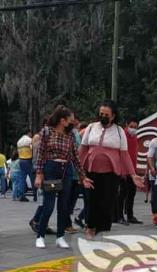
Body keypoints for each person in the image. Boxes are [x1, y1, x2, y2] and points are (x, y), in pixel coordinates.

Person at [79, 99, 144, 238]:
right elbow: (83, 150)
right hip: (91, 171)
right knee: (91, 200)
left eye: (106, 114)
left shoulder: (119, 131)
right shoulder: (91, 127)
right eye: (101, 113)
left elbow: (124, 155)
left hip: (111, 173)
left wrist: (133, 174)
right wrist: (78, 169)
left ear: (113, 116)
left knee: (107, 202)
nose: (103, 116)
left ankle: (101, 229)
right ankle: (90, 227)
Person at [33, 105, 91, 249]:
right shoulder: (47, 132)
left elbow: (76, 157)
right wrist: (39, 175)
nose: (73, 122)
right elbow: (40, 155)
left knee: (64, 206)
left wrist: (82, 176)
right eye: (70, 120)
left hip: (66, 170)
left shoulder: (70, 135)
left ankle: (60, 236)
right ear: (62, 120)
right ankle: (40, 235)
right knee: (49, 205)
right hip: (51, 169)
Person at [117, 117, 141, 224]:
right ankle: (119, 216)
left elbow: (134, 155)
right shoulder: (122, 136)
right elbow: (120, 154)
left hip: (132, 171)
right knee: (122, 193)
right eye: (131, 127)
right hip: (123, 170)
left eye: (135, 127)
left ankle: (130, 215)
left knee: (132, 193)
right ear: (126, 125)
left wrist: (134, 172)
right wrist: (122, 170)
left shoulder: (135, 137)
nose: (133, 129)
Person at [14, 131, 33, 202]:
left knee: (22, 178)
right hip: (28, 160)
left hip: (21, 160)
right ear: (28, 133)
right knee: (32, 177)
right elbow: (32, 149)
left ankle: (21, 195)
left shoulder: (19, 141)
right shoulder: (29, 140)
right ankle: (35, 194)